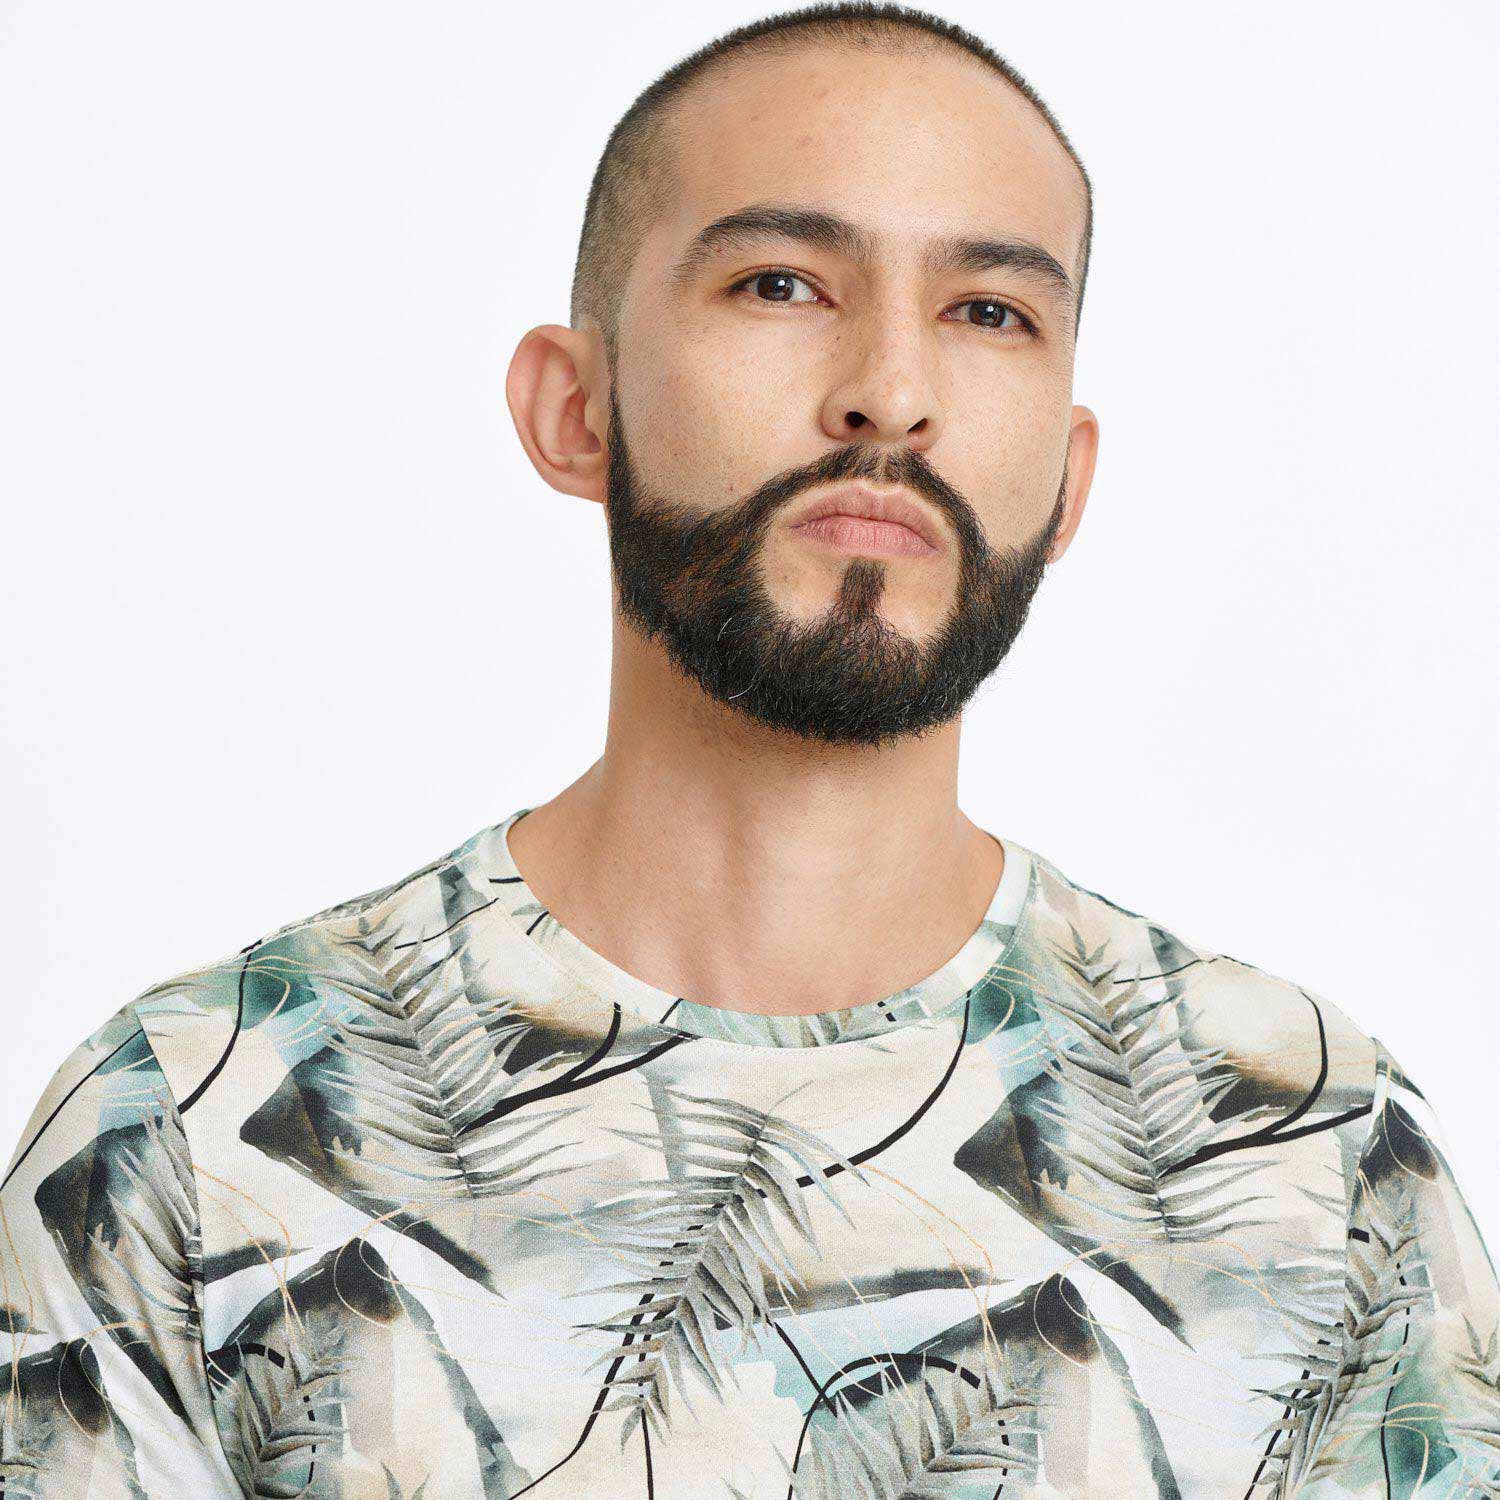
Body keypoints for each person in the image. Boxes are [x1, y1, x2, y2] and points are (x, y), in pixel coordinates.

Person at [4, 3, 1497, 1495]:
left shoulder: (1313, 1151)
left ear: (1068, 478)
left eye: (990, 312)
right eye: (781, 284)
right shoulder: (188, 1134)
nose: (891, 392)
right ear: (575, 408)